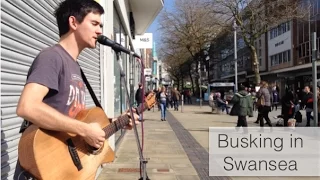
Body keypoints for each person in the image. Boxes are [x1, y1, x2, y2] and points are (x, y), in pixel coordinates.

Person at [14, 0, 139, 179]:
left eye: (101, 25)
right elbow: (27, 107)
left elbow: (71, 117)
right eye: (94, 23)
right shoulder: (52, 57)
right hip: (44, 169)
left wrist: (115, 121)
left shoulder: (76, 67)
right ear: (73, 23)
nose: (100, 31)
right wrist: (86, 130)